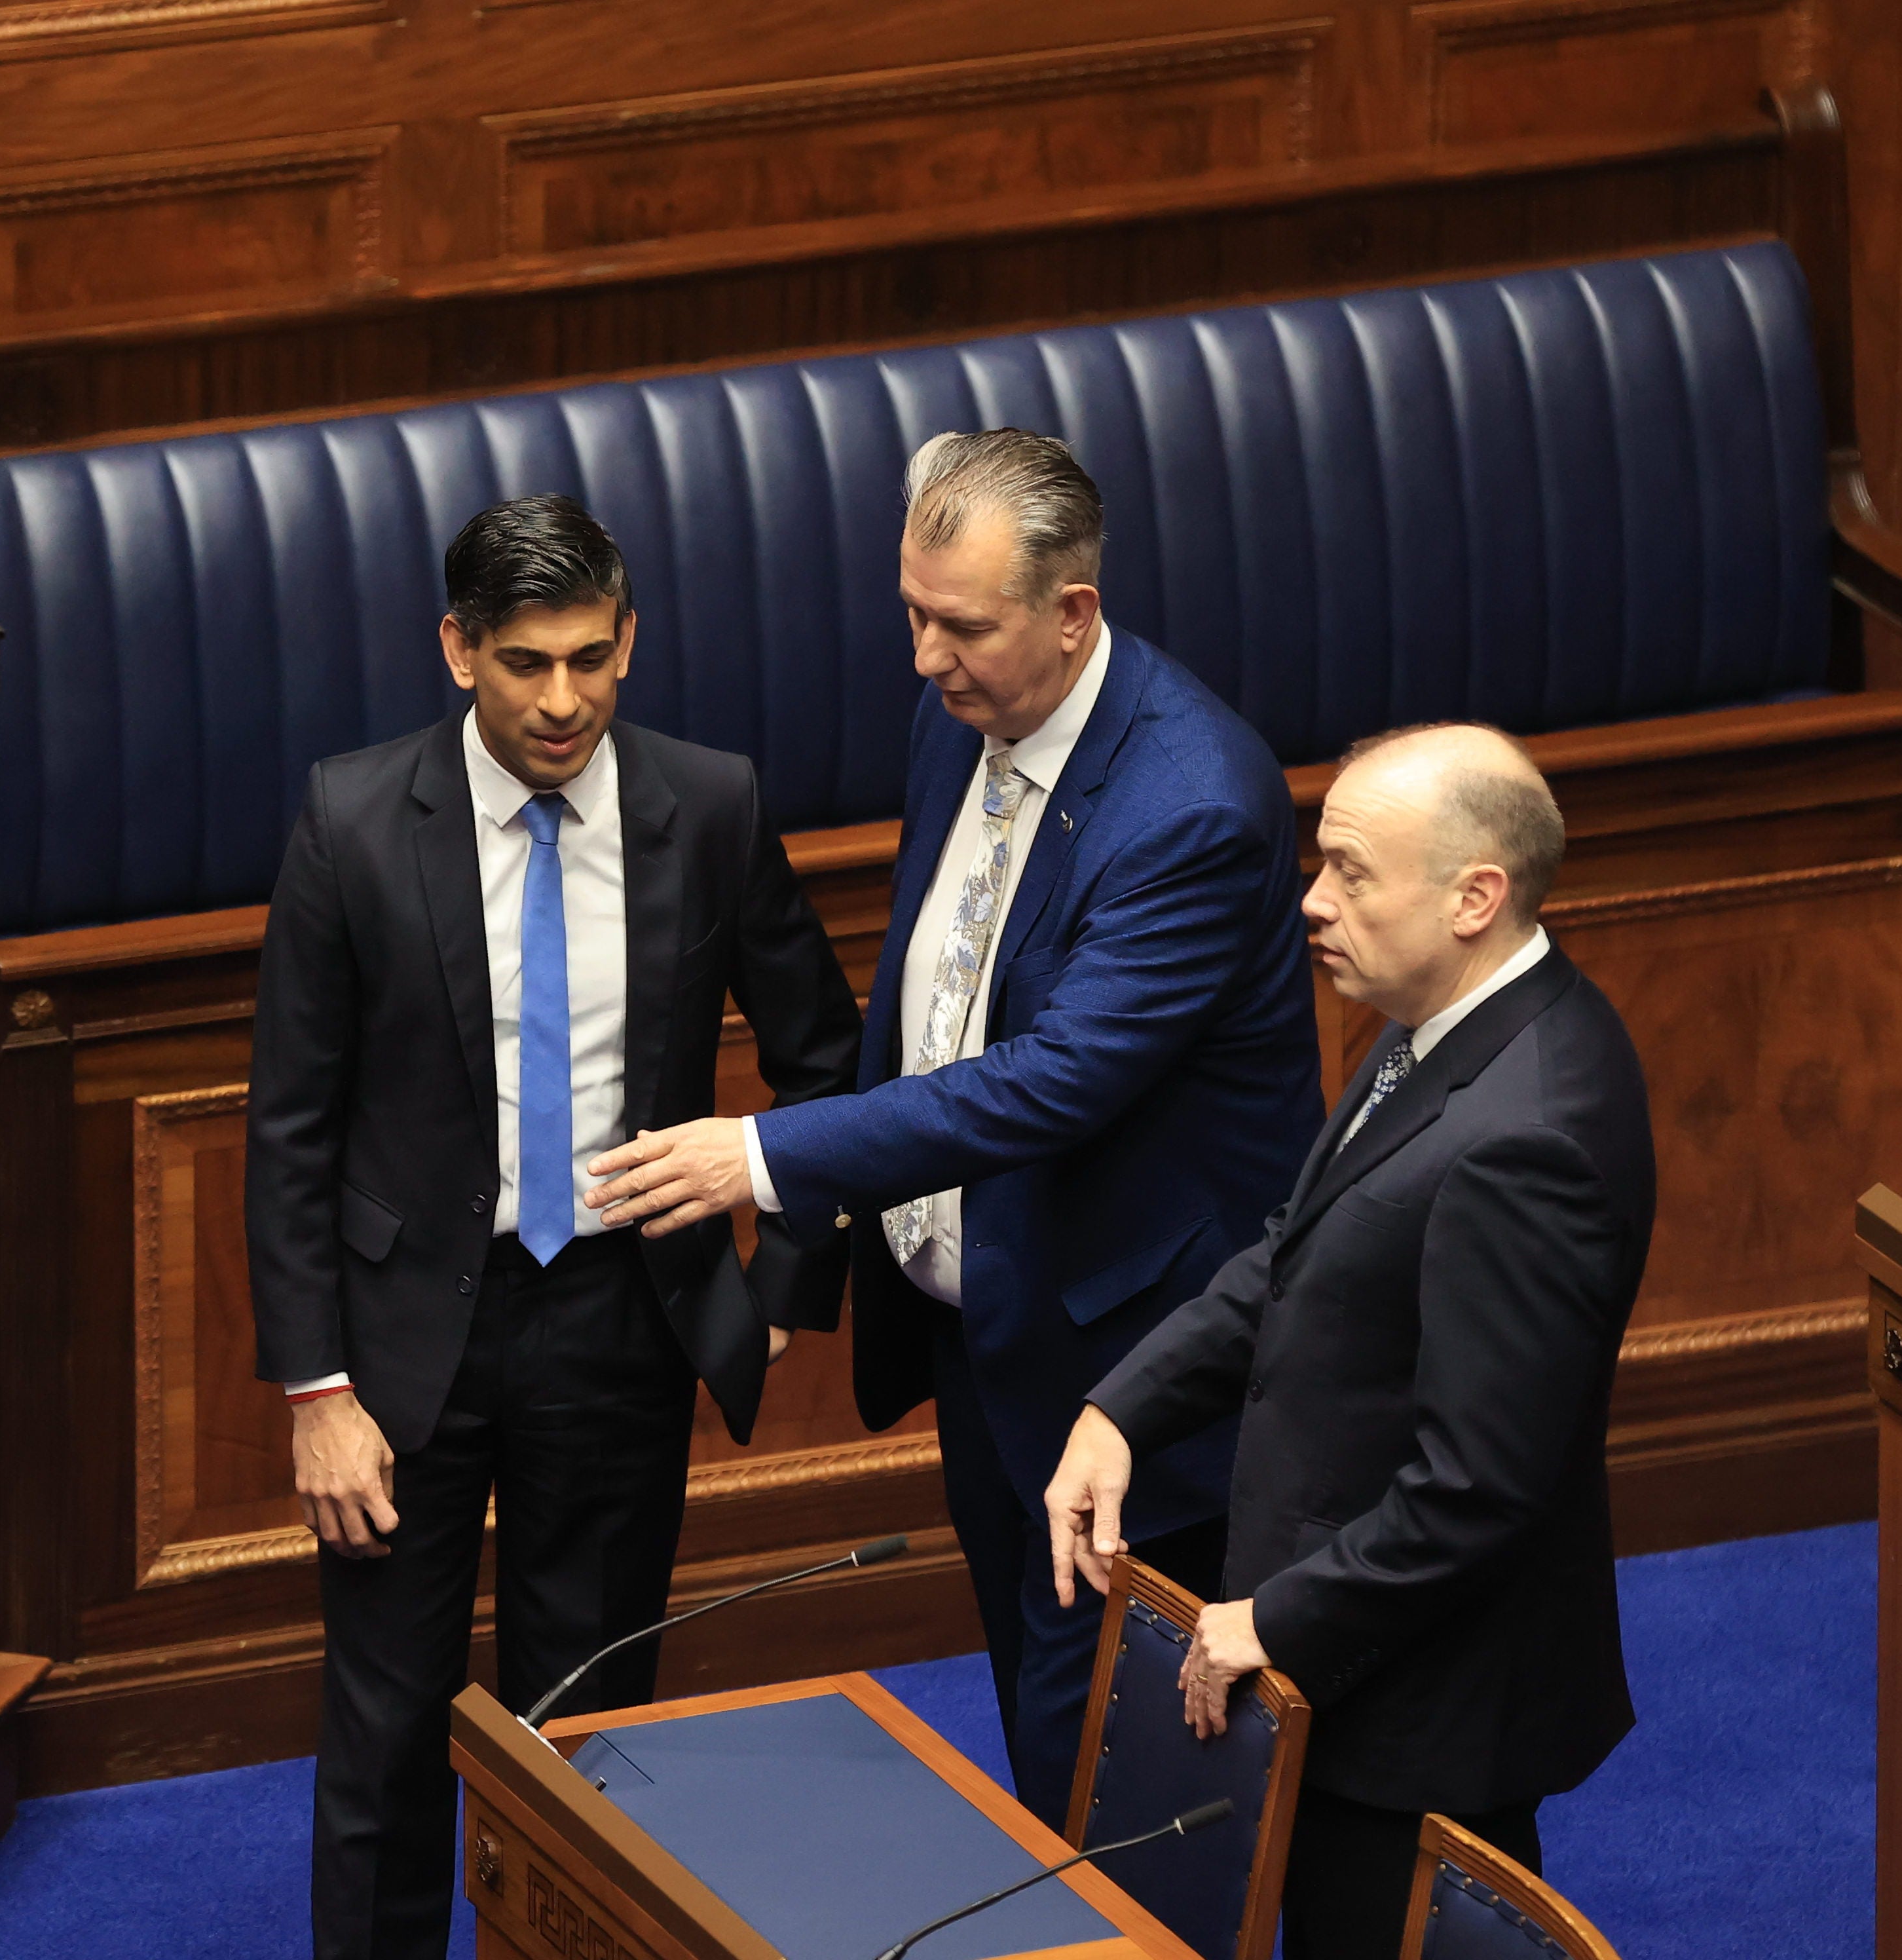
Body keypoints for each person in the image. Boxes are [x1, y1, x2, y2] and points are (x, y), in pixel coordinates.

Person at [584, 429, 1323, 1824]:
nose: (923, 656)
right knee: (1041, 1724)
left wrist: (762, 1157)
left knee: (1116, 1770)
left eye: (960, 625)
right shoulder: (965, 708)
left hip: (1133, 1356)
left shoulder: (1192, 809)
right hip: (992, 1327)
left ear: (1072, 613)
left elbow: (1052, 1079)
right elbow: (931, 990)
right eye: (911, 613)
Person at [246, 493, 863, 1960]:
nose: (564, 699)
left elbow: (824, 1059)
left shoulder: (707, 805)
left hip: (615, 1323)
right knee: (387, 1728)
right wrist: (316, 1391)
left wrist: (778, 1274)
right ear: (458, 649)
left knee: (587, 1726)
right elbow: (289, 1133)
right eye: (525, 662)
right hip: (404, 1350)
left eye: (594, 656)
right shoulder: (351, 817)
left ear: (631, 638)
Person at [1042, 722, 1655, 1960]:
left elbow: (1479, 1486)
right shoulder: (1442, 1021)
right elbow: (1301, 1251)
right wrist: (1125, 1406)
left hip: (1418, 1706)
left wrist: (1273, 1621)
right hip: (1363, 1666)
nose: (1313, 903)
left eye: (1352, 874)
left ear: (1474, 896)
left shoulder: (1525, 1136)